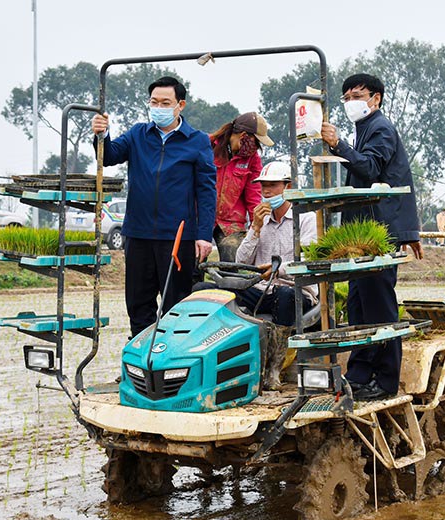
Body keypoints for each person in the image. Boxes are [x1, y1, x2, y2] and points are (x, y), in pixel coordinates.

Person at [321, 73, 424, 401]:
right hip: (364, 232)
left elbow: (369, 168)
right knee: (359, 306)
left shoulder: (380, 129)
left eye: (357, 94)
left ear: (375, 98)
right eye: (347, 96)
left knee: (380, 308)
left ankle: (386, 380)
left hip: (378, 232)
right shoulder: (364, 129)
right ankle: (360, 372)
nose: (351, 100)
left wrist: (339, 145)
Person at [91, 76, 216, 338]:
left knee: (176, 305)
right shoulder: (138, 134)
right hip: (138, 233)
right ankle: (140, 366)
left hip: (178, 237)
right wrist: (102, 134)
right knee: (138, 304)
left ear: (180, 105)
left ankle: (171, 369)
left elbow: (206, 191)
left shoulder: (197, 141)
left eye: (165, 102)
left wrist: (204, 235)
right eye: (154, 101)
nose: (158, 107)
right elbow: (111, 155)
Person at [232, 161, 318, 326]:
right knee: (209, 289)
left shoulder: (306, 219)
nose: (266, 191)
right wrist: (255, 228)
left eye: (273, 185)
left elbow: (310, 262)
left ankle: (280, 349)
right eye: (263, 186)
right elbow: (241, 262)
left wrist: (279, 269)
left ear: (288, 186)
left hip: (295, 291)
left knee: (285, 295)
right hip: (261, 290)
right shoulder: (261, 219)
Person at [210, 112, 273, 262]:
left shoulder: (253, 160)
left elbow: (254, 195)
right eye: (256, 142)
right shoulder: (207, 145)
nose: (257, 147)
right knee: (192, 265)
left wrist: (256, 226)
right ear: (244, 135)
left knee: (233, 265)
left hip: (231, 222)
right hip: (201, 217)